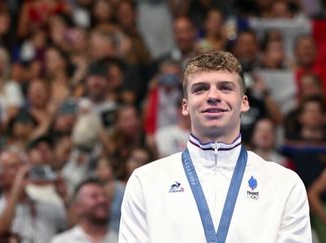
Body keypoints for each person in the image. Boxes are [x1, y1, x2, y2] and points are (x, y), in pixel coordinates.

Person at [119, 51, 311, 242]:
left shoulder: (284, 184)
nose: (213, 96)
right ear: (185, 106)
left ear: (244, 103)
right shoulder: (145, 182)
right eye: (200, 89)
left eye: (225, 88)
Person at [50, 178, 118, 243]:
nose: (102, 200)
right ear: (78, 206)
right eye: (94, 196)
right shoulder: (62, 241)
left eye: (105, 196)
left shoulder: (121, 240)